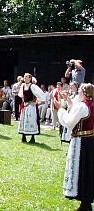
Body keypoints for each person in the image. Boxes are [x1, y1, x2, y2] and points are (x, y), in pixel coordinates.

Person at [55, 83, 94, 211]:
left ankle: (85, 204)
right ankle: (86, 202)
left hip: (81, 143)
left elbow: (69, 122)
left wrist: (61, 109)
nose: (78, 94)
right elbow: (77, 110)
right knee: (88, 170)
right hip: (89, 141)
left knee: (81, 170)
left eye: (80, 92)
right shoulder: (89, 104)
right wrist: (68, 100)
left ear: (84, 93)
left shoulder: (83, 106)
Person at [18, 73, 45, 143]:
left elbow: (41, 95)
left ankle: (32, 137)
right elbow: (21, 95)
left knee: (31, 120)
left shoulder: (33, 86)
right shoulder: (23, 86)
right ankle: (23, 137)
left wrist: (36, 102)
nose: (25, 78)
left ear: (30, 78)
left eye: (26, 77)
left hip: (31, 106)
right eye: (24, 77)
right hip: (25, 106)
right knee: (23, 120)